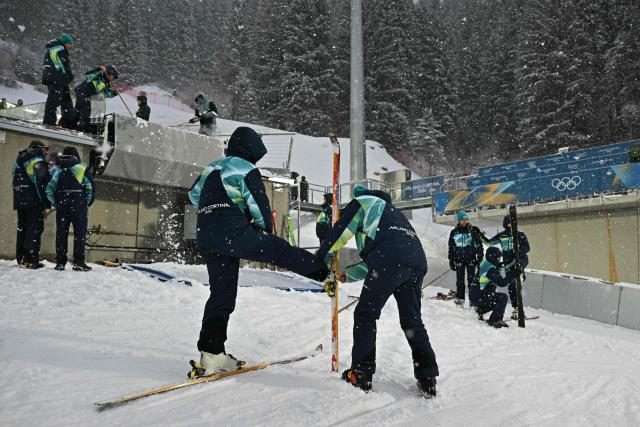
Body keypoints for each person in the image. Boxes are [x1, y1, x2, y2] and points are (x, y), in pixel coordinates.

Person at [187, 127, 328, 377]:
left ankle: (212, 355)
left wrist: (215, 210)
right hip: (233, 231)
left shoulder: (211, 167)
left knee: (221, 295)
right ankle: (322, 271)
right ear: (250, 148)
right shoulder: (245, 168)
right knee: (280, 250)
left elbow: (194, 195)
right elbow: (260, 210)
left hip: (207, 235)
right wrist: (260, 230)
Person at [317, 185, 439, 397]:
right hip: (416, 262)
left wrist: (322, 259)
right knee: (412, 321)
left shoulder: (363, 203)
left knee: (365, 314)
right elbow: (384, 255)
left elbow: (340, 234)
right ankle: (427, 377)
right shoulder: (392, 214)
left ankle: (361, 373)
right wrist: (347, 275)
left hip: (389, 261)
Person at [46, 146, 95, 272]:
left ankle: (60, 262)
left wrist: (56, 203)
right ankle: (78, 262)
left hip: (62, 204)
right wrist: (87, 203)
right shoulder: (81, 168)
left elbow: (49, 189)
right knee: (80, 233)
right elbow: (91, 187)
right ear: (76, 156)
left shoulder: (56, 169)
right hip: (79, 203)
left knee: (61, 233)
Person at [12, 140, 51, 269]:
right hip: (33, 200)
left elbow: (14, 180)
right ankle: (31, 259)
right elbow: (41, 185)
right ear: (40, 148)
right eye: (46, 149)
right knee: (34, 228)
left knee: (22, 228)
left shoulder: (18, 160)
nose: (47, 152)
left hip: (20, 200)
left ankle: (21, 258)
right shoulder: (36, 159)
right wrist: (46, 204)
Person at [486, 215, 531, 319]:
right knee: (511, 287)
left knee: (517, 281)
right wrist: (480, 236)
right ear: (505, 224)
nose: (510, 226)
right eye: (508, 224)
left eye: (512, 223)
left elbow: (527, 247)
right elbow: (489, 242)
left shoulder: (520, 234)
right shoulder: (502, 235)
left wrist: (518, 252)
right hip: (508, 264)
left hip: (520, 260)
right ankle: (517, 309)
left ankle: (520, 275)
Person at [448, 211, 485, 306]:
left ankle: (473, 300)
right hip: (459, 259)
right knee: (460, 280)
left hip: (471, 259)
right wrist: (451, 260)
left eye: (466, 219)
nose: (464, 221)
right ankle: (460, 298)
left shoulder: (473, 230)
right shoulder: (454, 232)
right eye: (462, 220)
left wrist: (480, 257)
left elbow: (479, 245)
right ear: (459, 220)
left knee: (472, 280)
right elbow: (451, 247)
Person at [475, 247, 517, 328]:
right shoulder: (490, 269)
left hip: (476, 294)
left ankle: (482, 309)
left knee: (492, 294)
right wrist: (513, 275)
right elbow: (502, 283)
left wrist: (512, 262)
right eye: (498, 258)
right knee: (503, 297)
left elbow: (501, 265)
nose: (499, 260)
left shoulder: (485, 263)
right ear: (493, 257)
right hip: (479, 295)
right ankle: (495, 320)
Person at [41, 34, 74, 127]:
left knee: (63, 100)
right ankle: (50, 123)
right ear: (65, 42)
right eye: (70, 44)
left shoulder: (52, 48)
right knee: (55, 101)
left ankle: (65, 121)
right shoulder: (60, 48)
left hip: (53, 78)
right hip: (57, 79)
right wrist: (70, 76)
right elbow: (65, 64)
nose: (70, 46)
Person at [74, 65, 119, 132]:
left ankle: (73, 124)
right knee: (86, 110)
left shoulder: (106, 84)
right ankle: (82, 129)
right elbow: (88, 75)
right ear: (109, 73)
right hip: (83, 92)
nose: (112, 79)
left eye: (114, 78)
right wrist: (98, 70)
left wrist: (114, 93)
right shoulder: (99, 75)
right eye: (113, 76)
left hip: (89, 97)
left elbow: (107, 94)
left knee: (80, 110)